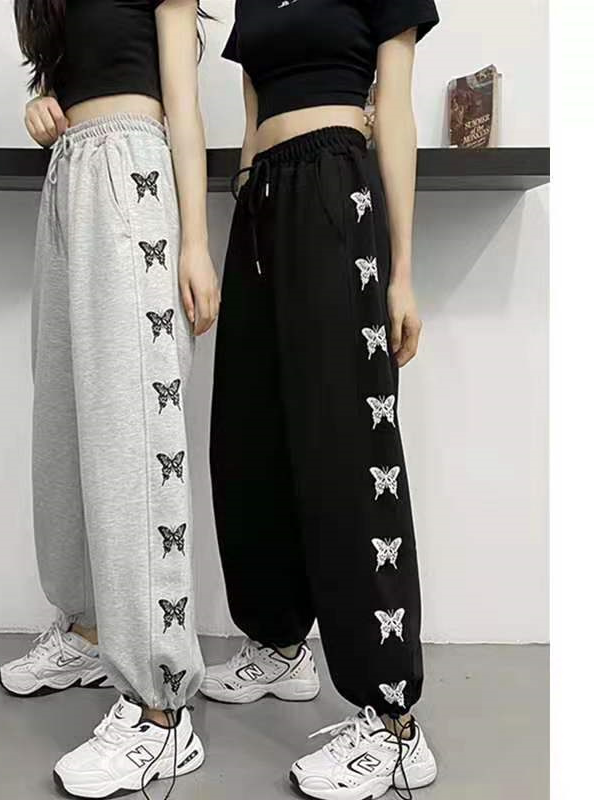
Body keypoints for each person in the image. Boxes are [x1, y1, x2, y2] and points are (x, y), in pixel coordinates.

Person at [204, 1, 440, 798]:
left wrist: (402, 272)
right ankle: (279, 644)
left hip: (339, 188)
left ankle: (395, 723)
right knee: (250, 435)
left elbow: (394, 113)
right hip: (260, 205)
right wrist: (247, 210)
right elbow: (251, 116)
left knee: (346, 446)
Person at [0, 2, 219, 797]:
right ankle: (91, 631)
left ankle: (162, 711)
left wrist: (195, 242)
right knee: (64, 424)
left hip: (134, 175)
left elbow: (181, 103)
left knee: (133, 435)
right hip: (68, 179)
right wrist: (42, 108)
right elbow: (78, 72)